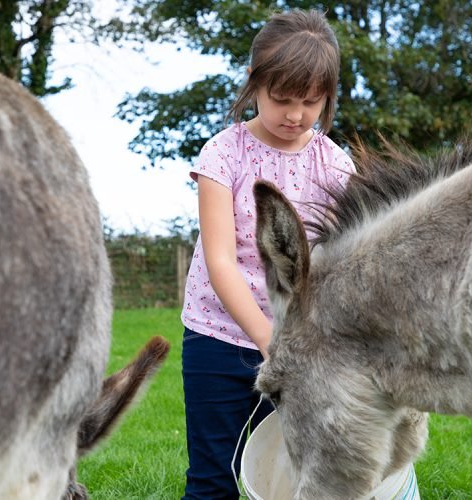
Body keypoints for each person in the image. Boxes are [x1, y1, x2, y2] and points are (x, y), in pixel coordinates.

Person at [180, 9, 354, 499]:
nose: (295, 115)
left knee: (290, 478)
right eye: (282, 99)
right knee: (212, 480)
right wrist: (265, 338)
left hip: (300, 347)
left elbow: (337, 262)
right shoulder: (223, 154)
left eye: (311, 101)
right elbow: (220, 261)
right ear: (254, 83)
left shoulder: (335, 165)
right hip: (217, 338)